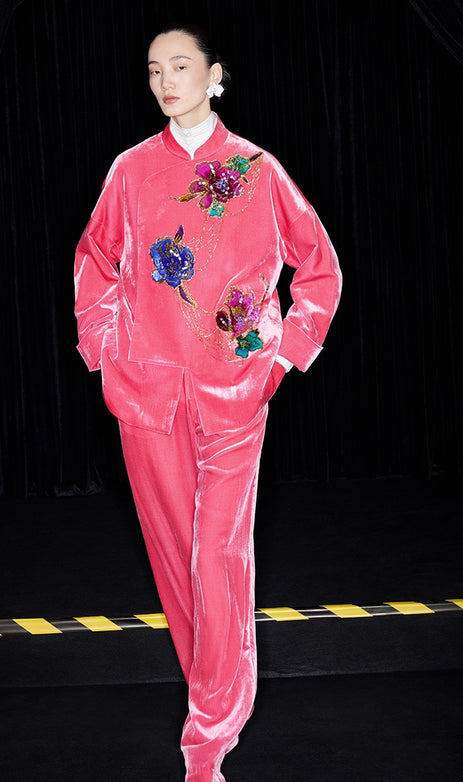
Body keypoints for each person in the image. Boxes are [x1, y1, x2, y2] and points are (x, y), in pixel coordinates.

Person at [74, 22, 342, 782]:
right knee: (174, 562)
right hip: (147, 394)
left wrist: (281, 356)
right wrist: (104, 351)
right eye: (154, 69)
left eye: (180, 65)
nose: (166, 80)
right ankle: (213, 692)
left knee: (218, 555)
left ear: (214, 73)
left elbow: (318, 268)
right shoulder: (130, 170)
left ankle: (208, 737)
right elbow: (95, 260)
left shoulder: (256, 168)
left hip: (234, 393)